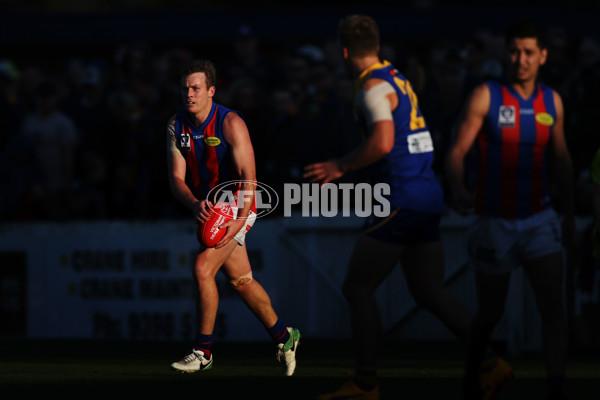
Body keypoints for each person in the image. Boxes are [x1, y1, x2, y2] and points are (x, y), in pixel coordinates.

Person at [304, 15, 509, 400]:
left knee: (356, 288)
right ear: (377, 46)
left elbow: (382, 142)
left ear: (345, 52)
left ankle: (366, 383)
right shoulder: (397, 76)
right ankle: (491, 364)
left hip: (400, 197)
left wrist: (341, 165)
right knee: (430, 292)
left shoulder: (372, 88)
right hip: (427, 194)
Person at [445, 19, 575, 400]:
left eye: (529, 52)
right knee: (490, 313)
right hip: (493, 221)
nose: (521, 59)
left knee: (552, 306)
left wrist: (567, 215)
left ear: (543, 56)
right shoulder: (486, 96)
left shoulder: (553, 102)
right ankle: (473, 378)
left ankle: (557, 387)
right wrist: (458, 187)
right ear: (505, 53)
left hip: (540, 218)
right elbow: (455, 151)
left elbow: (563, 160)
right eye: (515, 51)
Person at [166, 59, 300, 375]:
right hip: (209, 206)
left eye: (196, 88)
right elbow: (176, 179)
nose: (189, 94)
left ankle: (203, 351)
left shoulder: (231, 123)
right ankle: (285, 336)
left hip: (240, 202)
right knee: (242, 282)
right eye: (185, 88)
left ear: (211, 91)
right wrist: (193, 202)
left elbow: (249, 178)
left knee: (202, 268)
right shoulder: (175, 126)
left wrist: (240, 220)